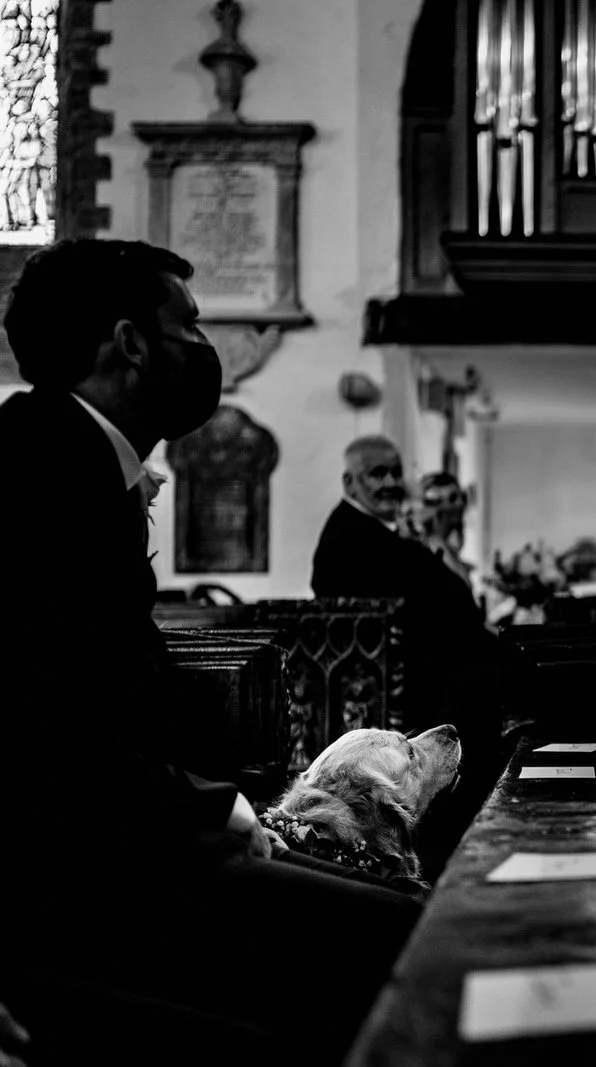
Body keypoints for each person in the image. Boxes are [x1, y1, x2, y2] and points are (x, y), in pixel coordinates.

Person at [0, 240, 420, 1067]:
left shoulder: (68, 457)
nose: (201, 346)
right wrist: (211, 808)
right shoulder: (46, 476)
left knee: (393, 902)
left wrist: (236, 796)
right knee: (406, 940)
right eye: (186, 322)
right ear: (129, 343)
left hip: (100, 839)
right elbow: (43, 725)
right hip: (67, 881)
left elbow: (125, 682)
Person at [311, 436, 504, 870]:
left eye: (396, 472)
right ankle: (458, 859)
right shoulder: (351, 535)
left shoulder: (380, 533)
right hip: (403, 695)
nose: (391, 483)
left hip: (423, 678)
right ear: (350, 481)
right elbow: (440, 594)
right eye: (377, 473)